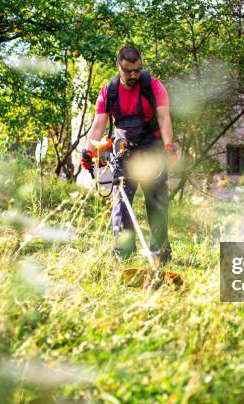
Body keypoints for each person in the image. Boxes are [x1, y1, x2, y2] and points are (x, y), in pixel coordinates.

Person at [81, 46, 176, 263]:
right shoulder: (109, 91)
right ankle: (124, 254)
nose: (133, 75)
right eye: (128, 71)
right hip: (124, 150)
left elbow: (164, 118)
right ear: (119, 67)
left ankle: (160, 253)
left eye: (137, 69)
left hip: (152, 147)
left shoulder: (153, 86)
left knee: (157, 202)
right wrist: (89, 151)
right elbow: (98, 126)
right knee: (121, 203)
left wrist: (169, 148)